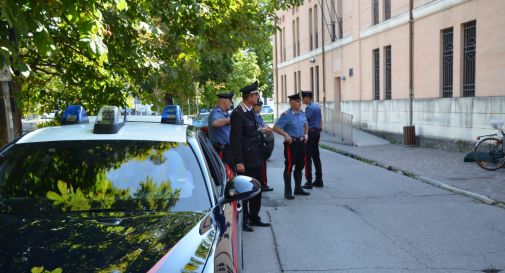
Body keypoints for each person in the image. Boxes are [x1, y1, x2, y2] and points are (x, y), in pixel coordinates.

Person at [230, 81, 270, 232]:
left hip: (256, 157)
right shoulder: (237, 114)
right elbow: (236, 140)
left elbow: (251, 133)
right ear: (249, 97)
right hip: (246, 160)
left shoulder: (250, 111)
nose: (258, 97)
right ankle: (245, 220)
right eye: (255, 95)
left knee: (257, 189)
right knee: (246, 190)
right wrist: (239, 161)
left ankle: (255, 217)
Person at [273, 93, 310, 199]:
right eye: (297, 101)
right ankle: (288, 191)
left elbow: (306, 124)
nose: (300, 103)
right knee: (289, 166)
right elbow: (276, 127)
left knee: (300, 165)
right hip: (291, 143)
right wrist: (285, 134)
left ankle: (298, 188)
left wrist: (306, 133)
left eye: (300, 101)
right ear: (291, 102)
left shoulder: (302, 113)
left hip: (301, 142)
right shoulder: (286, 115)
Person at [301, 91, 324, 189]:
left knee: (307, 157)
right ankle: (319, 180)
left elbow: (304, 121)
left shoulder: (309, 108)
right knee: (316, 157)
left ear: (308, 98)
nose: (302, 100)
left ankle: (309, 181)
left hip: (310, 134)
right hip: (316, 133)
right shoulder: (317, 107)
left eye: (303, 98)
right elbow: (320, 121)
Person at [208, 92, 234, 170]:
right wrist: (229, 120)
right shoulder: (216, 112)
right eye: (230, 101)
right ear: (225, 101)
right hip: (220, 151)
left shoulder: (225, 113)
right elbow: (214, 123)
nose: (231, 103)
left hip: (227, 151)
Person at [253, 100, 274, 192]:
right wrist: (264, 129)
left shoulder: (258, 115)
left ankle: (263, 184)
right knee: (260, 165)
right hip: (258, 142)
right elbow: (257, 128)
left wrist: (267, 128)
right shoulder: (253, 115)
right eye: (259, 106)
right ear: (254, 106)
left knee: (263, 165)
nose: (260, 108)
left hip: (262, 141)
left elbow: (262, 124)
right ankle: (262, 185)